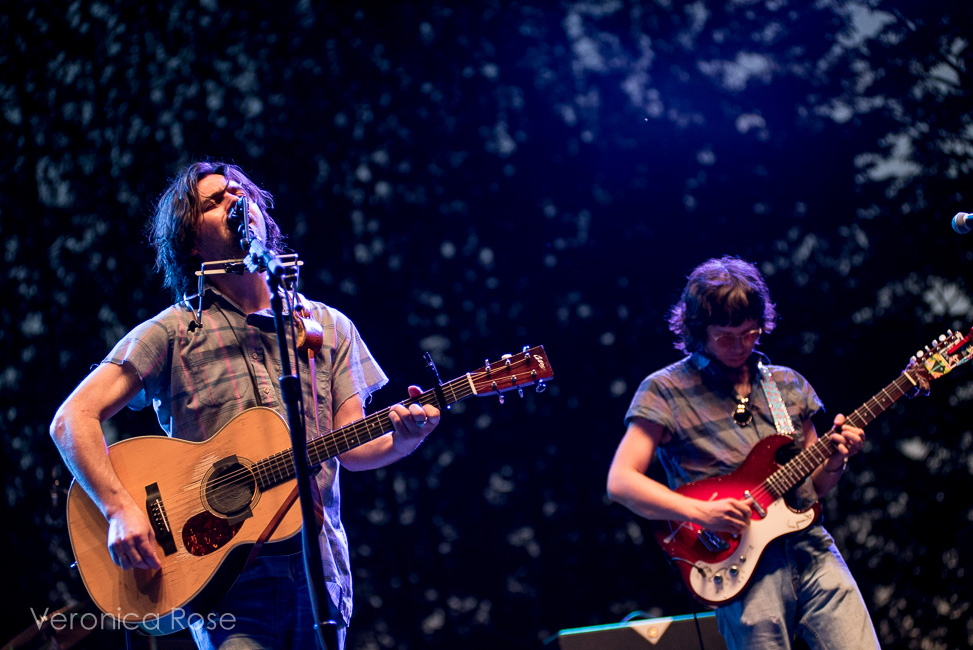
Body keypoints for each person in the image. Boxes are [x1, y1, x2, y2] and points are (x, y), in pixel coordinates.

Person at [49, 160, 441, 650]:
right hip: (224, 586)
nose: (234, 202)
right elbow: (72, 418)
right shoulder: (172, 331)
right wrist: (119, 510)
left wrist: (404, 438)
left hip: (319, 573)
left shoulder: (327, 326)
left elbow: (350, 446)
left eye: (240, 193)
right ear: (191, 241)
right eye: (213, 202)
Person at [606, 256, 880, 649]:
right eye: (725, 336)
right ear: (698, 330)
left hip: (812, 550)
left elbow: (813, 490)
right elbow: (621, 481)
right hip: (739, 569)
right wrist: (701, 513)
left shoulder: (786, 384)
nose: (739, 346)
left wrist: (836, 459)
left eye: (750, 333)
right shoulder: (664, 390)